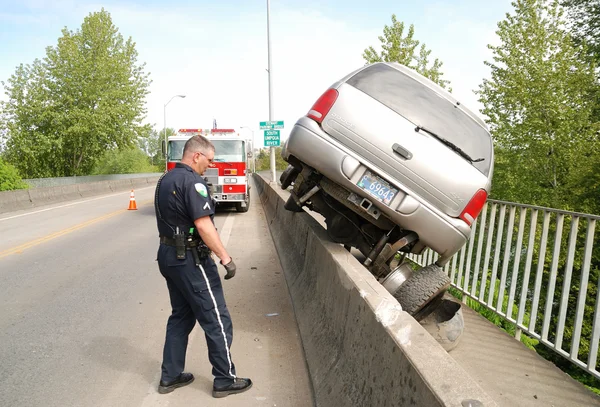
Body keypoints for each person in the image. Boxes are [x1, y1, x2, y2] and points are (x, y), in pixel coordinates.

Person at [154, 134, 252, 398]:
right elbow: (203, 224)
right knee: (217, 318)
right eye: (209, 159)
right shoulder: (193, 182)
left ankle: (170, 376)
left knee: (181, 316)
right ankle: (224, 379)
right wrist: (225, 257)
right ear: (196, 155)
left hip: (167, 255)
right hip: (190, 259)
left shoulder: (165, 179)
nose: (210, 164)